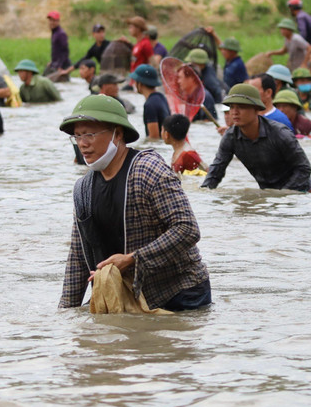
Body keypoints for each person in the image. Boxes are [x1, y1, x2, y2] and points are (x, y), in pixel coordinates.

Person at [58, 95, 211, 311]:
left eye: (90, 134)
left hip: (179, 293)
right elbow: (77, 257)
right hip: (127, 293)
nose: (82, 143)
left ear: (117, 134)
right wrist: (65, 314)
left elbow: (187, 229)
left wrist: (133, 259)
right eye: (77, 136)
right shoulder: (83, 189)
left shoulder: (148, 171)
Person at [201, 84, 311, 192]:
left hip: (300, 192)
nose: (235, 112)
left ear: (256, 109)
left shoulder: (280, 133)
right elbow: (216, 171)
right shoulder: (230, 137)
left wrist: (283, 194)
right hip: (269, 194)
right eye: (232, 107)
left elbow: (304, 168)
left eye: (241, 107)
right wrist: (204, 192)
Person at [130, 65, 169, 139]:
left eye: (135, 81)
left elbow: (154, 138)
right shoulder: (161, 97)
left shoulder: (149, 104)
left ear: (140, 84)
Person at [46, 11, 71, 77]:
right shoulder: (55, 33)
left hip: (61, 66)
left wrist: (60, 66)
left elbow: (65, 52)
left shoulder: (61, 34)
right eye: (50, 20)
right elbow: (57, 50)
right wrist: (52, 61)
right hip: (55, 64)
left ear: (58, 21)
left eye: (54, 20)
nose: (51, 22)